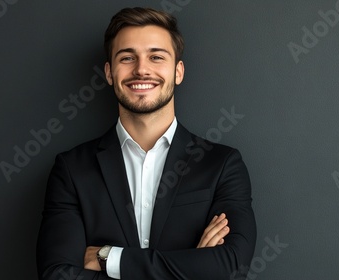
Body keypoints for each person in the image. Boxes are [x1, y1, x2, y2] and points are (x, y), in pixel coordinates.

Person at [36, 7, 256, 280]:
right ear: (109, 72)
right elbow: (57, 276)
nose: (141, 69)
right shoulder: (71, 169)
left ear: (178, 72)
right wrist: (193, 268)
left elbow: (232, 267)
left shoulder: (222, 165)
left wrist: (109, 258)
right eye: (127, 57)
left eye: (156, 57)